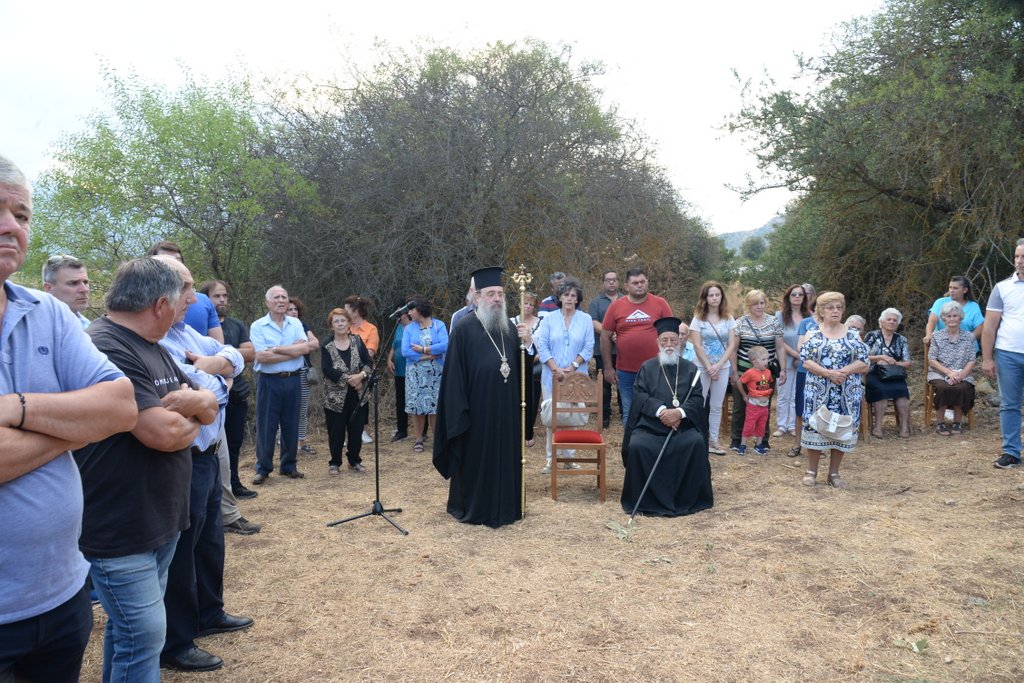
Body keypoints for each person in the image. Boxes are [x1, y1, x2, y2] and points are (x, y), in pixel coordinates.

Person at [0, 155, 136, 683]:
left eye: (23, 213)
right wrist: (75, 425)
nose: (12, 226)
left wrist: (19, 409)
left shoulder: (48, 312)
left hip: (61, 596)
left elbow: (120, 407)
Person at [75, 257, 218, 682]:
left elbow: (209, 402)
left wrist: (188, 406)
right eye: (183, 298)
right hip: (120, 526)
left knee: (131, 636)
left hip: (159, 520)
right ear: (160, 304)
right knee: (144, 637)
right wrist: (189, 411)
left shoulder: (151, 345)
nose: (189, 305)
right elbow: (161, 433)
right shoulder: (106, 345)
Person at [152, 256, 253, 673]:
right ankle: (176, 642)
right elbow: (200, 393)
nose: (195, 298)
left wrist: (213, 367)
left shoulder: (183, 329)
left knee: (211, 541)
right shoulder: (155, 340)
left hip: (210, 457)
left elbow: (236, 356)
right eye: (187, 288)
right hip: (185, 460)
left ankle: (210, 613)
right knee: (182, 553)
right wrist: (218, 378)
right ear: (162, 295)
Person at [433, 266, 535, 528]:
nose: (497, 299)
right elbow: (453, 378)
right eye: (491, 294)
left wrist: (528, 345)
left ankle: (509, 507)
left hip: (508, 411)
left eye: (500, 294)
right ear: (476, 297)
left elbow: (521, 373)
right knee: (478, 462)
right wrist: (460, 415)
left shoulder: (512, 330)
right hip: (477, 413)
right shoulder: (464, 330)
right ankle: (476, 508)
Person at [620, 317, 713, 517]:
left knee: (695, 442)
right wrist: (662, 411)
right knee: (638, 446)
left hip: (683, 426)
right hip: (651, 425)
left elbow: (697, 399)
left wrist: (678, 413)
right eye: (664, 341)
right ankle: (645, 499)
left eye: (673, 340)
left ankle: (688, 498)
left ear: (680, 342)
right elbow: (640, 395)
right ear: (658, 343)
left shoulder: (690, 369)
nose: (669, 345)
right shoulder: (647, 367)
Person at [799, 291, 869, 489]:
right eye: (830, 307)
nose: (835, 311)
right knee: (816, 426)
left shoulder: (853, 334)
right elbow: (806, 361)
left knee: (842, 428)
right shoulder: (813, 334)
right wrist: (828, 374)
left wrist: (843, 372)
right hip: (818, 390)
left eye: (839, 307)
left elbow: (864, 362)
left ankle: (834, 474)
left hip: (847, 391)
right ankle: (811, 471)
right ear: (821, 311)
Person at [250, 285, 317, 484]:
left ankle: (289, 467)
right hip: (269, 381)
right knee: (266, 426)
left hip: (293, 379)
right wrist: (291, 349)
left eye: (284, 297)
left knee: (291, 423)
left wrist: (276, 349)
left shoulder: (295, 323)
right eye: (276, 297)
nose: (281, 300)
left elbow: (304, 349)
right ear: (268, 302)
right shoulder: (258, 326)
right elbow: (261, 356)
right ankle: (263, 468)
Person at [200, 279, 258, 501]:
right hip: (212, 396)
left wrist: (223, 354)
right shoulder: (202, 327)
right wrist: (233, 355)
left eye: (224, 295)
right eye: (217, 296)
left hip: (237, 394)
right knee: (213, 446)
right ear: (206, 300)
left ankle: (234, 484)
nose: (222, 299)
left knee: (234, 443)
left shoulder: (236, 324)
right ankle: (216, 491)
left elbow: (251, 353)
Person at [535, 278, 594, 473]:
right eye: (566, 295)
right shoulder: (549, 319)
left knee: (571, 417)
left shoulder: (585, 319)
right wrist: (554, 367)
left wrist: (573, 366)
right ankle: (551, 459)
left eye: (573, 296)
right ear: (559, 297)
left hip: (576, 377)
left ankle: (569, 458)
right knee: (553, 417)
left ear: (578, 299)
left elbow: (589, 346)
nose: (569, 298)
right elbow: (542, 344)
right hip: (551, 375)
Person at [601, 266, 673, 419]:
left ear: (647, 283)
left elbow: (671, 334)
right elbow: (605, 336)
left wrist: (670, 363)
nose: (640, 285)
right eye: (635, 283)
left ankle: (654, 442)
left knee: (658, 409)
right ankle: (631, 444)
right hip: (626, 371)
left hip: (657, 369)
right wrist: (608, 367)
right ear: (626, 286)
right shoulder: (616, 306)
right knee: (630, 411)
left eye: (642, 282)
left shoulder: (660, 303)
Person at [982, 238, 1024, 469]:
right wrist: (988, 358)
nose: (1019, 261)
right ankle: (1011, 452)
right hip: (1008, 354)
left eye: (1023, 257)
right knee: (1010, 405)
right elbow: (989, 327)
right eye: (1017, 256)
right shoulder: (1003, 288)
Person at [728, 289, 787, 452]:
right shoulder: (740, 322)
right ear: (748, 305)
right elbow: (733, 348)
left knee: (764, 406)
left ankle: (763, 440)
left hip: (766, 373)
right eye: (755, 304)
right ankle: (737, 439)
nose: (759, 307)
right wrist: (733, 371)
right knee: (740, 405)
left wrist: (783, 369)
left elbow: (780, 347)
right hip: (744, 371)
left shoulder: (774, 322)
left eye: (762, 303)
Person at [689, 280, 737, 455]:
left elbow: (731, 344)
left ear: (721, 296)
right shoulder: (698, 319)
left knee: (717, 405)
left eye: (717, 294)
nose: (715, 298)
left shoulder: (728, 318)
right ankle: (697, 437)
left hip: (722, 366)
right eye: (711, 295)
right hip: (702, 366)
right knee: (699, 403)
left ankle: (713, 441)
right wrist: (709, 366)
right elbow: (696, 345)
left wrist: (719, 365)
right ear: (705, 298)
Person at [322, 308, 372, 474]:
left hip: (358, 395)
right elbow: (327, 369)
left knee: (356, 430)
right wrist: (350, 380)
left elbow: (368, 362)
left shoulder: (357, 341)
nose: (340, 324)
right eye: (336, 321)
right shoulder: (326, 346)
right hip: (335, 398)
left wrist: (361, 376)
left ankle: (355, 461)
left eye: (343, 320)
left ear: (349, 323)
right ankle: (335, 463)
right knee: (336, 432)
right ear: (331, 325)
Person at [147, 240, 224, 343]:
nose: (175, 265)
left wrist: (214, 359)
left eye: (178, 260)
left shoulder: (203, 300)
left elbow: (218, 345)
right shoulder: (146, 306)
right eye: (166, 260)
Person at [403, 296, 448, 453]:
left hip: (436, 373)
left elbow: (445, 345)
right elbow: (405, 351)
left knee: (434, 406)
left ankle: (437, 438)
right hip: (414, 374)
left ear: (420, 309)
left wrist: (423, 349)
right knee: (416, 406)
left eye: (411, 309)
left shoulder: (438, 325)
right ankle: (419, 438)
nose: (409, 312)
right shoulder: (409, 328)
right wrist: (428, 356)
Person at [928, 301, 976, 435]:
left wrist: (960, 375)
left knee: (962, 387)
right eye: (948, 316)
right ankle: (940, 423)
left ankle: (957, 422)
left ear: (960, 318)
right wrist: (949, 372)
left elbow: (972, 360)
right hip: (939, 373)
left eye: (955, 316)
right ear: (943, 319)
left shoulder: (969, 337)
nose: (952, 319)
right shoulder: (936, 336)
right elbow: (931, 359)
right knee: (944, 388)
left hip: (962, 373)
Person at [864, 308, 913, 438]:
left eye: (894, 320)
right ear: (881, 322)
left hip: (894, 374)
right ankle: (878, 427)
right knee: (881, 392)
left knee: (902, 392)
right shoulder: (872, 336)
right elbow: (863, 356)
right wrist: (881, 358)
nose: (891, 322)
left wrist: (894, 363)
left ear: (898, 324)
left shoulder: (901, 339)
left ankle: (904, 427)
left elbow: (907, 363)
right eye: (889, 319)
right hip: (875, 373)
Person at [588, 270, 623, 427]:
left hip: (624, 349)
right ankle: (605, 415)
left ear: (618, 282)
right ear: (603, 283)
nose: (611, 282)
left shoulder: (626, 300)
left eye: (614, 280)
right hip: (603, 349)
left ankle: (625, 413)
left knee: (624, 382)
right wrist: (609, 333)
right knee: (604, 384)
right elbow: (594, 322)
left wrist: (620, 334)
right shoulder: (596, 302)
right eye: (608, 280)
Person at [774, 284, 810, 437]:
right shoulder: (780, 316)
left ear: (804, 297)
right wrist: (796, 355)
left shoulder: (809, 316)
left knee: (797, 394)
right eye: (793, 294)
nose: (797, 297)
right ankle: (781, 425)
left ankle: (793, 425)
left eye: (800, 295)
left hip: (804, 361)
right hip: (785, 359)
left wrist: (802, 356)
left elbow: (812, 339)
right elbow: (779, 340)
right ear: (788, 297)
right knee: (784, 394)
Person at [287, 296, 321, 455]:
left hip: (303, 373)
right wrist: (293, 348)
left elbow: (314, 344)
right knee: (286, 409)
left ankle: (300, 443)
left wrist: (301, 346)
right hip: (285, 373)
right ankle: (285, 441)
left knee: (302, 409)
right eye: (290, 309)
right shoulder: (279, 327)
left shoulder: (303, 325)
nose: (293, 312)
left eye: (295, 309)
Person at [345, 295, 379, 444]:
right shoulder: (345, 327)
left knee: (362, 401)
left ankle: (361, 430)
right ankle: (348, 431)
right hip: (345, 371)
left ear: (356, 311)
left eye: (347, 309)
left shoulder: (371, 329)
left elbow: (370, 352)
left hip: (363, 371)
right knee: (346, 401)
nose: (344, 313)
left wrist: (359, 374)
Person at [510, 291, 542, 446]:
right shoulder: (511, 322)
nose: (528, 307)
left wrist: (535, 356)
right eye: (525, 303)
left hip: (535, 367)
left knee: (532, 399)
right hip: (516, 367)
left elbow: (543, 343)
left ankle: (528, 432)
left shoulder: (541, 322)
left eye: (531, 304)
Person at [923, 275, 984, 349]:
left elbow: (980, 328)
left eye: (955, 288)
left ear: (965, 290)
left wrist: (967, 340)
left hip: (966, 349)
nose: (952, 290)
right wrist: (929, 335)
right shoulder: (940, 302)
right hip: (943, 348)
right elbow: (932, 322)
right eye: (950, 287)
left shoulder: (973, 306)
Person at [737, 346, 774, 455]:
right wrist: (744, 395)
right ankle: (743, 444)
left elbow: (769, 382)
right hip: (753, 405)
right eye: (763, 359)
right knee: (749, 424)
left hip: (764, 405)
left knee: (762, 425)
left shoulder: (767, 372)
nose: (766, 361)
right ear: (754, 362)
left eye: (767, 359)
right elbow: (739, 382)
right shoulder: (750, 373)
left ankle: (758, 445)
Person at [41, 253, 91, 328]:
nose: (84, 289)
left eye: (85, 282)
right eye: (73, 283)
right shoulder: (37, 328)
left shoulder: (87, 325)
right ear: (49, 288)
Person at [387, 308, 412, 442]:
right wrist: (389, 359)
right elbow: (394, 345)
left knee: (415, 399)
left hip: (412, 369)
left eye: (399, 313)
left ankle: (423, 431)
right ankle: (402, 430)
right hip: (399, 370)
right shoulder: (398, 327)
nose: (397, 315)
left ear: (406, 313)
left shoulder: (414, 327)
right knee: (400, 400)